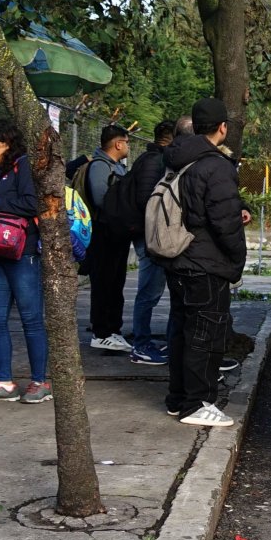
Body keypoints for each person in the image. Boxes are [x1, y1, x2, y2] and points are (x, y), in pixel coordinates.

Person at [158, 97, 247, 426]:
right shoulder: (217, 166)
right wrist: (238, 257)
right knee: (204, 334)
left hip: (179, 258)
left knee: (182, 331)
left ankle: (178, 398)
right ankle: (197, 404)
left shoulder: (176, 160)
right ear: (222, 127)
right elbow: (226, 223)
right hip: (206, 263)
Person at [0, 119, 50, 403]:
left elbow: (33, 205)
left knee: (31, 318)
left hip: (23, 254)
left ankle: (39, 382)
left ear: (6, 142)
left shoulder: (25, 167)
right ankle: (4, 382)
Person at [128, 120, 176, 365]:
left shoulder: (152, 159)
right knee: (149, 292)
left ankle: (146, 341)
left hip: (151, 235)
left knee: (152, 291)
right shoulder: (153, 162)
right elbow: (148, 201)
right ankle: (141, 344)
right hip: (150, 237)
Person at [88, 124, 134, 353]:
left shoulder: (116, 167)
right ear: (118, 143)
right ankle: (101, 332)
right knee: (104, 283)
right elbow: (101, 200)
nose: (128, 146)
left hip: (117, 234)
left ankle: (113, 329)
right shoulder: (99, 167)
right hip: (104, 234)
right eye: (127, 142)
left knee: (116, 283)